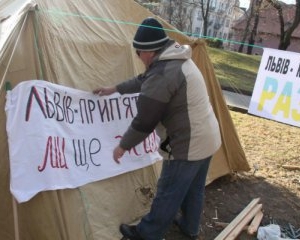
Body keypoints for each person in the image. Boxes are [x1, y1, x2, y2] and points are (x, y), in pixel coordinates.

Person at [93, 17, 221, 240]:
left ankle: (147, 234)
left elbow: (145, 120)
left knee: (168, 193)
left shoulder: (163, 73)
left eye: (138, 52)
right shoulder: (172, 58)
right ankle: (190, 227)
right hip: (208, 137)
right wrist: (114, 89)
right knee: (193, 189)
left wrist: (123, 146)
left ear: (149, 52)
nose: (137, 57)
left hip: (187, 144)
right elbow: (145, 79)